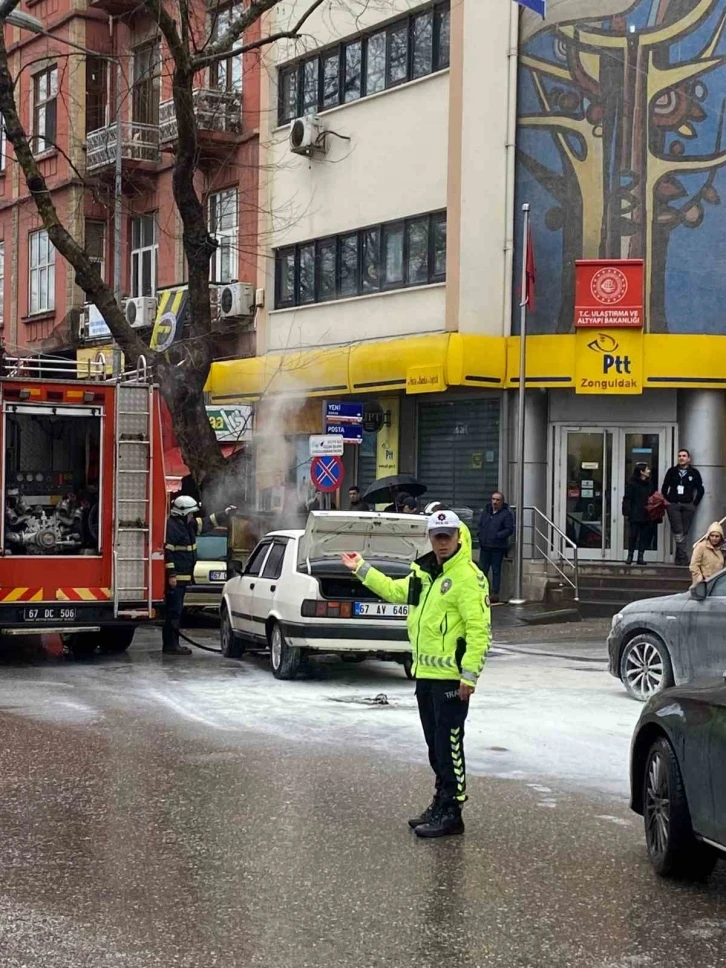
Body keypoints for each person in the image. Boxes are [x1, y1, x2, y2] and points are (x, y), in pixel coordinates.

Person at [342, 509, 490, 839]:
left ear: (458, 538)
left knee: (449, 744)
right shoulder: (423, 573)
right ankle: (440, 801)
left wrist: (470, 676)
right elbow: (396, 592)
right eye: (436, 537)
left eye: (446, 537)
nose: (441, 543)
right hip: (425, 674)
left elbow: (479, 629)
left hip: (452, 679)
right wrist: (362, 569)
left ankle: (453, 811)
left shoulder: (468, 576)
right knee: (434, 745)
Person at [163, 495, 234, 656]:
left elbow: (206, 523)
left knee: (177, 611)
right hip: (177, 579)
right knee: (174, 612)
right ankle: (171, 645)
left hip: (183, 578)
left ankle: (172, 644)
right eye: (190, 514)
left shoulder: (187, 525)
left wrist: (225, 514)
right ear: (182, 513)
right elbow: (168, 553)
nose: (192, 517)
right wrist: (171, 575)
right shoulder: (173, 528)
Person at [662, 449, 704, 565]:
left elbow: (700, 489)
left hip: (688, 505)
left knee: (684, 531)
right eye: (679, 456)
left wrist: (694, 504)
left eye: (684, 456)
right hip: (674, 505)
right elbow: (664, 488)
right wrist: (668, 502)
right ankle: (684, 558)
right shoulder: (672, 471)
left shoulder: (694, 472)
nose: (681, 458)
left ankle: (678, 558)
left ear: (688, 459)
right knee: (678, 530)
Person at [477, 491, 515, 603]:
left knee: (496, 570)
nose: (495, 502)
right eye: (493, 499)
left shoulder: (506, 514)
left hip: (497, 547)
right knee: (482, 570)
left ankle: (494, 593)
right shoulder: (486, 512)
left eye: (498, 500)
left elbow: (509, 529)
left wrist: (497, 536)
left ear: (502, 502)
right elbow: (480, 524)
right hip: (485, 546)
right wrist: (481, 535)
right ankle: (482, 591)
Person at [622, 464, 655, 566]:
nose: (648, 471)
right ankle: (630, 555)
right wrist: (627, 511)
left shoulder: (649, 484)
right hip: (635, 513)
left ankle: (640, 556)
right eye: (646, 469)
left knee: (644, 536)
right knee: (633, 535)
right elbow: (627, 498)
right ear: (641, 472)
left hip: (646, 513)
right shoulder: (632, 484)